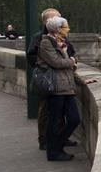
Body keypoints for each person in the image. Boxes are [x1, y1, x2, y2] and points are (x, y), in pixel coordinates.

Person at [36, 16, 97, 161]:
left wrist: (82, 81)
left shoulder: (62, 43)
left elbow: (68, 69)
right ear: (57, 29)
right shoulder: (46, 43)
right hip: (56, 88)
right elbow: (56, 63)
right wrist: (71, 60)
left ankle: (57, 144)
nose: (68, 30)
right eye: (65, 27)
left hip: (67, 87)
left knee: (74, 119)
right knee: (54, 121)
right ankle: (53, 152)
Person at [27, 8, 76, 150]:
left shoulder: (62, 37)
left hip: (62, 79)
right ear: (47, 22)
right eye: (57, 19)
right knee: (46, 111)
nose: (61, 22)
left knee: (59, 112)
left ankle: (60, 138)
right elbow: (33, 57)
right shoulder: (40, 39)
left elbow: (71, 53)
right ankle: (44, 140)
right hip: (48, 80)